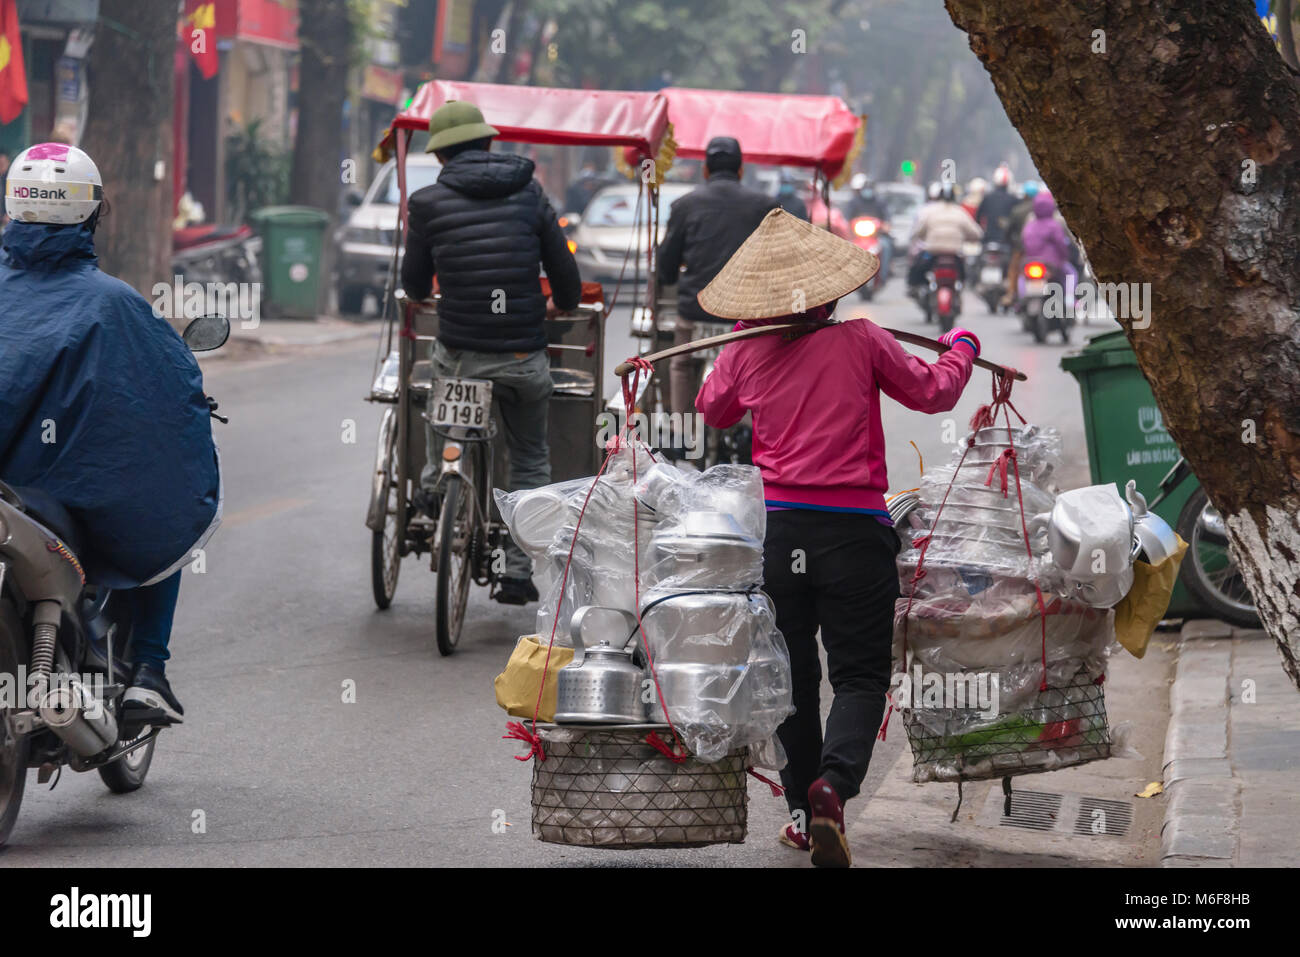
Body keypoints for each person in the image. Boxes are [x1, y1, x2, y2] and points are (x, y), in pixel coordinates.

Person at [694, 209, 981, 868]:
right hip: (853, 533)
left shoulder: (746, 350)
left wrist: (741, 339)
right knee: (859, 674)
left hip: (780, 533)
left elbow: (713, 409)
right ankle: (834, 786)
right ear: (829, 293)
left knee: (793, 679)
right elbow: (935, 393)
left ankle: (804, 814)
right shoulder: (862, 339)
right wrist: (961, 346)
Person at [0, 143, 222, 724]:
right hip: (60, 503)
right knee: (161, 499)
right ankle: (148, 669)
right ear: (93, 213)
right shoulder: (115, 305)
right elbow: (162, 409)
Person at [401, 101, 581, 606]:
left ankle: (438, 481)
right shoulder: (530, 194)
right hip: (524, 354)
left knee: (445, 399)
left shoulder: (428, 202)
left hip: (461, 354)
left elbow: (414, 281)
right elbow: (563, 272)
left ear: (442, 157)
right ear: (486, 144)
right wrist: (564, 304)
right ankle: (518, 572)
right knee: (528, 457)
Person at [656, 136, 778, 420]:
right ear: (741, 170)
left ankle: (682, 427)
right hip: (746, 314)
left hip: (696, 308)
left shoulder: (684, 206)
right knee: (759, 365)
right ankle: (753, 425)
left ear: (706, 171)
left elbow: (666, 269)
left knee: (682, 364)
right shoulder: (765, 205)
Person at [906, 181, 982, 292]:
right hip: (955, 252)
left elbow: (918, 231)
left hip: (933, 251)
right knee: (964, 275)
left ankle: (915, 290)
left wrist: (920, 237)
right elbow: (976, 233)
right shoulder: (960, 212)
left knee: (916, 271)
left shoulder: (929, 211)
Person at [1002, 180, 1040, 306]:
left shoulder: (1017, 211)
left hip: (1020, 249)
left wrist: (1009, 242)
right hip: (1039, 250)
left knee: (1014, 271)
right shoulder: (1042, 210)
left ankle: (1011, 293)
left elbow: (1009, 230)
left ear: (1024, 195)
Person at [974, 164, 1017, 246]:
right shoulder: (1013, 199)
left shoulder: (987, 198)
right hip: (1007, 240)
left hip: (989, 238)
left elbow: (978, 216)